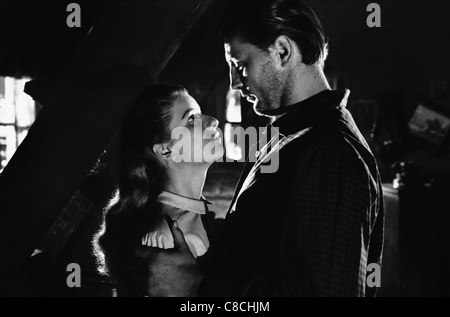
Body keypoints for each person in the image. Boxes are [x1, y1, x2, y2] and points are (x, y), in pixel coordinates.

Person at [136, 0, 385, 297]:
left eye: (240, 65)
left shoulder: (330, 153)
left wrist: (198, 286)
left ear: (282, 51)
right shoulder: (290, 137)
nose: (234, 83)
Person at [92, 84, 224, 296]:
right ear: (164, 149)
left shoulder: (197, 217)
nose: (212, 121)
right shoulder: (165, 238)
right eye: (191, 118)